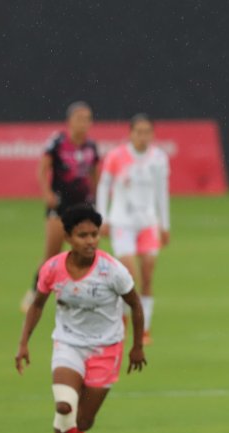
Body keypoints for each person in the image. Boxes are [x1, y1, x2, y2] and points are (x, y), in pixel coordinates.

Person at [15, 205, 147, 433]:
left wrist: (137, 346)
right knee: (64, 407)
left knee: (84, 420)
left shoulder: (112, 270)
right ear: (68, 237)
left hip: (106, 348)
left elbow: (135, 304)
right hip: (68, 343)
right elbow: (37, 305)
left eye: (94, 234)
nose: (90, 240)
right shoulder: (52, 269)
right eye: (82, 235)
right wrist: (23, 343)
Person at [96, 114, 171, 344]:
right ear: (130, 133)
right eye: (138, 131)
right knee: (129, 275)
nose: (143, 136)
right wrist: (103, 217)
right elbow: (104, 185)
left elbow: (161, 192)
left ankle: (145, 327)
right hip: (122, 223)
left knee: (147, 276)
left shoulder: (158, 158)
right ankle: (124, 318)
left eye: (147, 131)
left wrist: (165, 224)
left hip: (148, 224)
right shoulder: (116, 156)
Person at [22, 101, 100, 312]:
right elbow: (43, 169)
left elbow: (94, 174)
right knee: (52, 254)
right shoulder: (57, 143)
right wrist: (47, 193)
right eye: (79, 118)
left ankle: (83, 295)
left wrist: (97, 198)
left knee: (86, 252)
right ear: (69, 121)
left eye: (87, 119)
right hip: (60, 206)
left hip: (82, 207)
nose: (83, 123)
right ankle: (34, 292)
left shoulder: (91, 147)